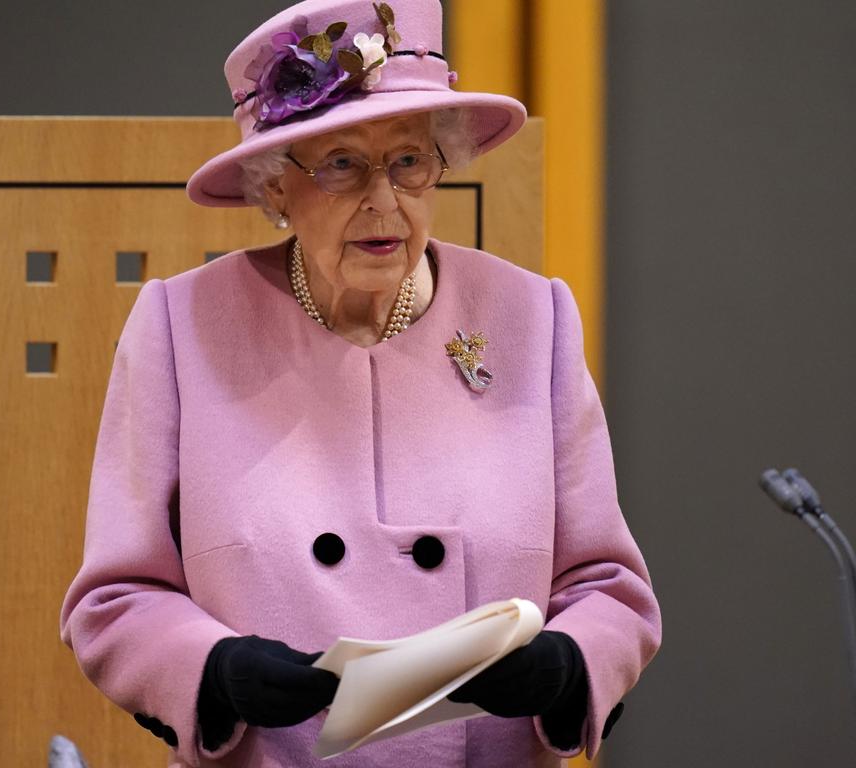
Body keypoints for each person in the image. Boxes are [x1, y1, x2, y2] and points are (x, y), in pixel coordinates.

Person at [58, 1, 662, 766]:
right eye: (341, 164)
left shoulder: (531, 318)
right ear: (275, 189)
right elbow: (114, 599)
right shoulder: (182, 327)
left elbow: (608, 586)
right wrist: (212, 671)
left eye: (409, 161)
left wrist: (571, 661)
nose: (384, 201)